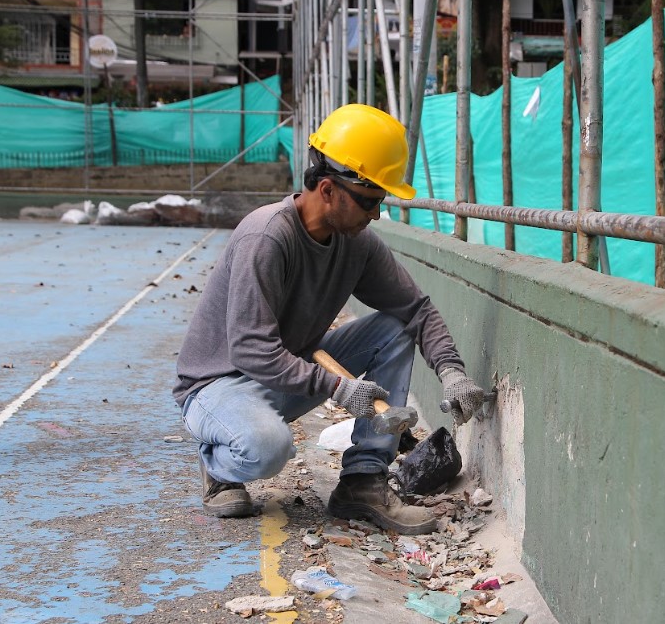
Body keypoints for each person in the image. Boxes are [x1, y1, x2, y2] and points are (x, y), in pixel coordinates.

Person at [173, 103, 486, 534]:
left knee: (394, 329)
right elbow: (250, 348)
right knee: (267, 449)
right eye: (370, 202)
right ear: (327, 188)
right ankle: (220, 467)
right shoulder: (266, 237)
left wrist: (452, 371)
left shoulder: (356, 242)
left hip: (278, 374)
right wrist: (339, 388)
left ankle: (363, 481)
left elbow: (415, 310)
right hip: (218, 385)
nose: (376, 214)